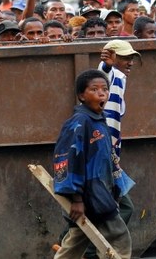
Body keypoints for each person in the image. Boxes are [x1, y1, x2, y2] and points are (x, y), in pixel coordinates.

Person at [53, 69, 132, 259]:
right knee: (118, 236)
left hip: (101, 190)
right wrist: (77, 199)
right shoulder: (79, 123)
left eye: (105, 89)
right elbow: (68, 161)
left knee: (77, 240)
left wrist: (116, 186)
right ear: (81, 95)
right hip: (90, 193)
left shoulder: (99, 121)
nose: (101, 93)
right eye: (94, 89)